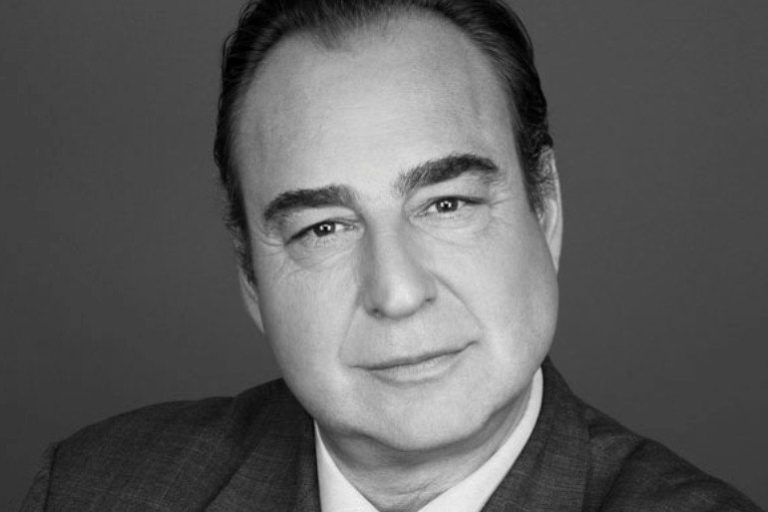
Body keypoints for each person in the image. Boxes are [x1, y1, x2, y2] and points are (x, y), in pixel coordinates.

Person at [19, 1, 763, 511]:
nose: (398, 293)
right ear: (249, 275)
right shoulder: (90, 490)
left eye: (447, 205)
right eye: (324, 228)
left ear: (546, 210)